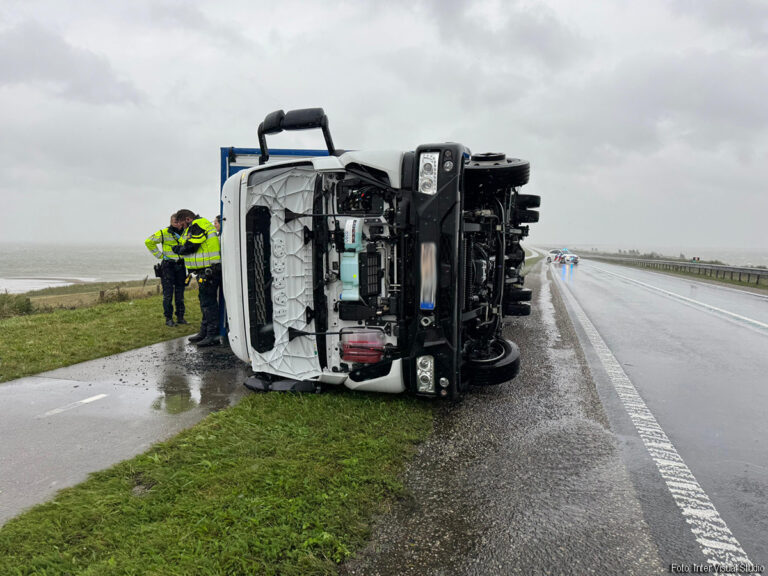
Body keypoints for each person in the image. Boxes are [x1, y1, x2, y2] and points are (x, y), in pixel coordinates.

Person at [172, 209, 221, 347]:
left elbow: (191, 246)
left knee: (208, 304)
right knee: (204, 302)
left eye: (182, 224)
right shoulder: (196, 226)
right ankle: (204, 332)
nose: (182, 227)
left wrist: (178, 250)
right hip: (205, 271)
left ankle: (213, 335)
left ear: (188, 219)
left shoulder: (198, 224)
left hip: (209, 270)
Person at [144, 213, 187, 327]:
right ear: (171, 222)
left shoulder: (186, 232)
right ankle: (169, 318)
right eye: (175, 222)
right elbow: (149, 241)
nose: (178, 224)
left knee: (180, 293)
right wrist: (160, 256)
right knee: (168, 294)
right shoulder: (164, 232)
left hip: (181, 265)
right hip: (168, 266)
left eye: (179, 222)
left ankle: (180, 317)